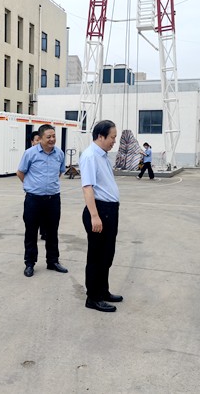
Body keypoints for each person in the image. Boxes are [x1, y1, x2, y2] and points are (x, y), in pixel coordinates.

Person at [80, 120, 123, 313]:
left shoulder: (102, 155)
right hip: (99, 211)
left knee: (106, 255)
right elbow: (87, 187)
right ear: (100, 136)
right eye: (112, 137)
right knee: (96, 257)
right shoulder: (90, 156)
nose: (114, 141)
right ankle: (93, 297)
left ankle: (103, 291)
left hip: (109, 210)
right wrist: (94, 216)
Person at [17, 124, 68, 277]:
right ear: (40, 138)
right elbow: (20, 172)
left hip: (53, 199)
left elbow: (60, 172)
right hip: (33, 200)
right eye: (48, 137)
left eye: (54, 136)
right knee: (31, 232)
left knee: (52, 231)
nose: (52, 139)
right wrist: (32, 186)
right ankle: (30, 263)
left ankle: (53, 261)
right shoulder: (30, 153)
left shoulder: (59, 153)